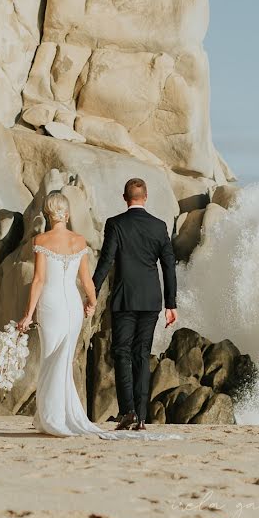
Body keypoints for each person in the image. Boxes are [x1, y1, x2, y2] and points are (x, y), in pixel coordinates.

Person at [17, 190, 177, 440]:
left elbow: (39, 280)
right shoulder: (81, 241)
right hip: (79, 303)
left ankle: (57, 416)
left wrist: (27, 314)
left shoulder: (41, 240)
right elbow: (87, 280)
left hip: (56, 304)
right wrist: (91, 301)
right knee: (71, 359)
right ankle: (135, 416)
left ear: (48, 214)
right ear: (67, 213)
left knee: (53, 358)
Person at [92, 178, 178, 431]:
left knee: (121, 352)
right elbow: (168, 266)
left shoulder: (116, 224)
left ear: (124, 197)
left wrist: (92, 291)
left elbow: (106, 261)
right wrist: (171, 303)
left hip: (125, 298)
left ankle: (127, 411)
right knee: (142, 353)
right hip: (151, 299)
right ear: (146, 196)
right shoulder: (159, 226)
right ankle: (141, 416)